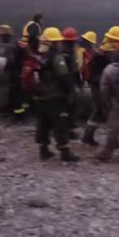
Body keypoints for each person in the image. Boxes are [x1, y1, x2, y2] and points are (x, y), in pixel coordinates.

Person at [81, 25, 119, 146]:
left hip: (95, 86)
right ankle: (114, 141)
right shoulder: (111, 55)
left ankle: (87, 136)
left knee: (98, 111)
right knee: (112, 113)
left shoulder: (102, 49)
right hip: (103, 88)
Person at [33, 27, 80, 162]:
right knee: (61, 123)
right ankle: (65, 152)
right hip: (54, 96)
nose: (61, 43)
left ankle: (44, 150)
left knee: (43, 123)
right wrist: (69, 91)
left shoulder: (38, 55)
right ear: (53, 42)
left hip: (38, 95)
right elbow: (63, 76)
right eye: (58, 41)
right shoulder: (56, 57)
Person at [0, 24, 27, 117]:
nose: (0, 38)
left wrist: (4, 69)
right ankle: (24, 112)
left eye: (1, 36)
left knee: (14, 95)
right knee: (20, 94)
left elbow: (11, 61)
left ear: (5, 36)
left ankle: (18, 116)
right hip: (21, 72)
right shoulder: (16, 43)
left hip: (15, 75)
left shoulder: (8, 47)